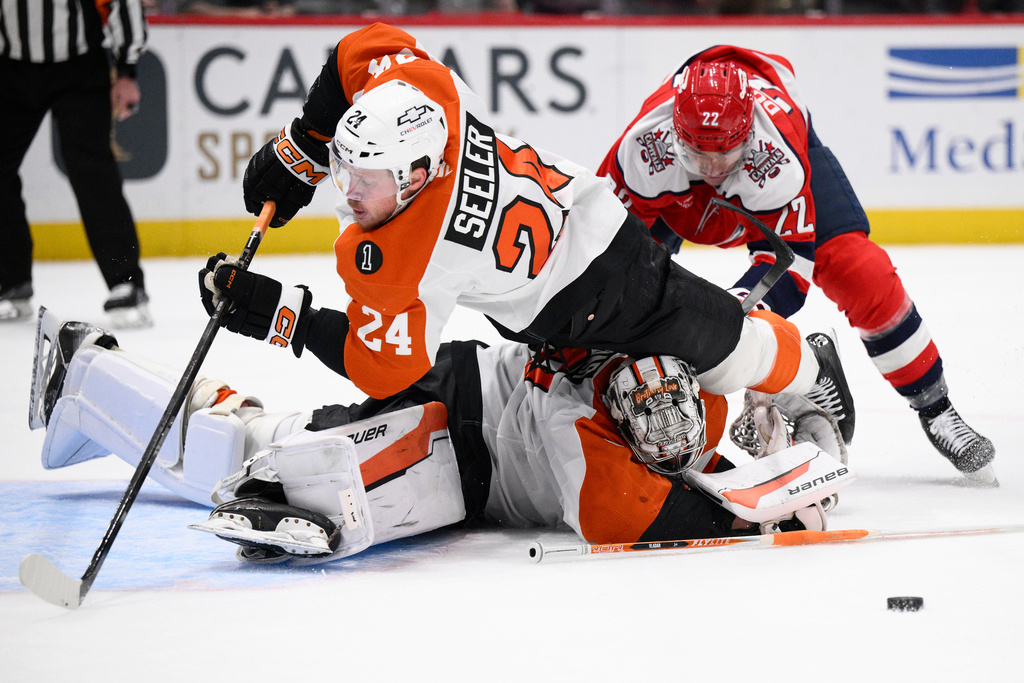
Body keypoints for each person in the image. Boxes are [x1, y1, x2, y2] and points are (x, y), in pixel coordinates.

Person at [218, 22, 855, 448]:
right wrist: (306, 144)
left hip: (602, 283)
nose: (347, 191)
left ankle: (810, 371)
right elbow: (363, 46)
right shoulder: (431, 93)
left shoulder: (400, 258)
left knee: (723, 351)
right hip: (584, 232)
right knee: (680, 358)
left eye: (368, 177)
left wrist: (284, 317)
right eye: (341, 167)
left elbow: (381, 369)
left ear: (415, 175)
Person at [28, 309, 852, 564]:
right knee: (259, 454)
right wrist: (760, 511)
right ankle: (85, 374)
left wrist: (799, 403)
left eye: (680, 422)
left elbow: (769, 335)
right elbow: (618, 520)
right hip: (460, 417)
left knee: (269, 438)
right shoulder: (580, 424)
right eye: (647, 430)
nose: (667, 438)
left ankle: (121, 396)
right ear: (614, 405)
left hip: (475, 450)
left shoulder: (697, 381)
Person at [598, 45, 995, 483]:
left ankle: (936, 409)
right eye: (698, 156)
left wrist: (734, 320)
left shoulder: (778, 152)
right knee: (624, 299)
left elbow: (788, 271)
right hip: (677, 199)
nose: (711, 169)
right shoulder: (643, 148)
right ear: (673, 135)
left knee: (862, 273)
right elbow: (601, 249)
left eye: (723, 156)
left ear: (750, 137)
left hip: (761, 176)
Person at [0, 0, 152, 328]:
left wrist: (127, 70)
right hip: (10, 67)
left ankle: (126, 282)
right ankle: (11, 281)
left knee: (92, 172)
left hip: (79, 66)